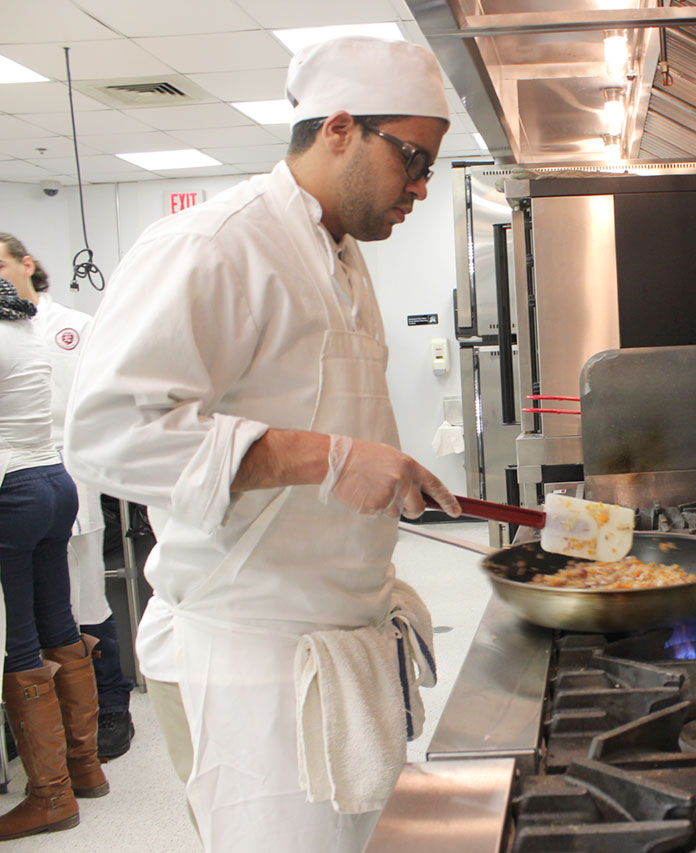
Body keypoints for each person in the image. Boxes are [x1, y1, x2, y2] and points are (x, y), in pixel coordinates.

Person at [63, 36, 462, 852]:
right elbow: (107, 434)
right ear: (341, 128)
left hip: (336, 637)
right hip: (248, 665)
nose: (421, 186)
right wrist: (329, 459)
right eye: (413, 158)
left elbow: (321, 405)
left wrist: (381, 469)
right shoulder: (216, 244)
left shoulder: (343, 256)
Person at [0, 233, 135, 760]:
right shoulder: (15, 327)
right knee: (42, 611)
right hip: (35, 480)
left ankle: (111, 709)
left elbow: (104, 405)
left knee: (86, 600)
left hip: (66, 475)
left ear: (27, 264)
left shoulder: (73, 328)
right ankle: (57, 738)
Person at [0, 275, 109, 840]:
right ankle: (83, 767)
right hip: (51, 480)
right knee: (59, 624)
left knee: (17, 641)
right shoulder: (21, 324)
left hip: (10, 490)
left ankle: (49, 796)